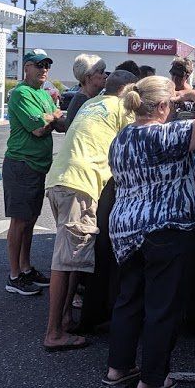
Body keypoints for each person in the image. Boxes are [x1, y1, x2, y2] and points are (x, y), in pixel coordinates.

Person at [103, 76, 195, 388]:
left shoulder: (122, 137)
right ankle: (153, 378)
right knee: (162, 305)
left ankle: (119, 366)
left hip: (126, 229)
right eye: (170, 103)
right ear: (161, 106)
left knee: (129, 299)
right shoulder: (169, 134)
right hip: (166, 229)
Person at [42, 69, 135, 351]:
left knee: (75, 259)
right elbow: (136, 144)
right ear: (127, 91)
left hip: (59, 179)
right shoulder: (121, 107)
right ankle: (53, 332)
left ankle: (66, 319)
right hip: (81, 185)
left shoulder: (92, 103)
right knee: (65, 259)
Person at [4, 49, 64, 295]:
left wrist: (51, 117)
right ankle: (14, 275)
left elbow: (57, 123)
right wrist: (51, 117)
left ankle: (26, 268)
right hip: (21, 164)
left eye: (47, 65)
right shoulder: (21, 93)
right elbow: (39, 128)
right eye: (38, 65)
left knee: (30, 220)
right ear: (26, 67)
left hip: (38, 165)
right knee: (19, 222)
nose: (44, 69)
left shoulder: (43, 93)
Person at [56, 53, 106, 133]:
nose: (105, 76)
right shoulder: (83, 102)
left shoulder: (86, 99)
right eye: (101, 72)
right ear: (88, 77)